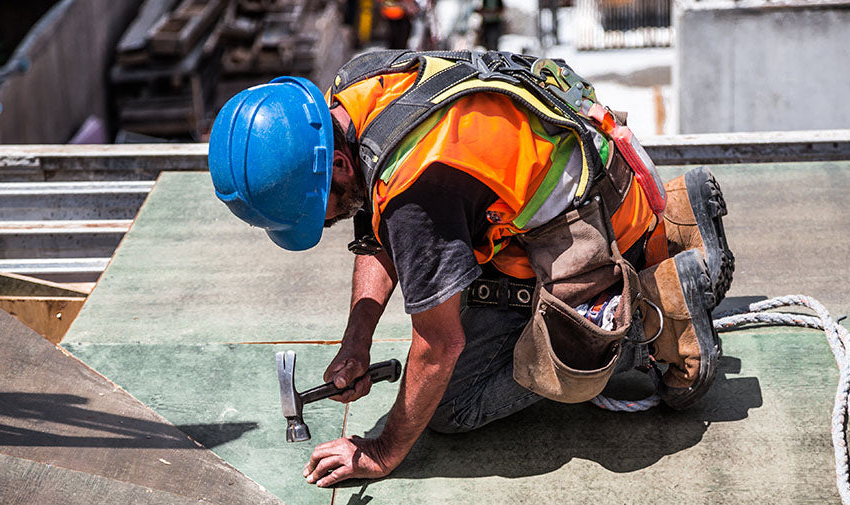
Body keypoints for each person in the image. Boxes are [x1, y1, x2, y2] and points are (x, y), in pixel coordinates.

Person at [207, 50, 734, 488]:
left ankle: (653, 312)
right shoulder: (357, 88)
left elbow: (439, 346)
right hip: (599, 184)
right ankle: (677, 221)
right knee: (446, 288)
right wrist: (357, 339)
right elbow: (375, 224)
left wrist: (383, 451)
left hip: (594, 236)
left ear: (339, 165)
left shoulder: (418, 191)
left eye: (315, 210)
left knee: (453, 406)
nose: (320, 226)